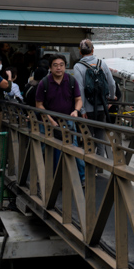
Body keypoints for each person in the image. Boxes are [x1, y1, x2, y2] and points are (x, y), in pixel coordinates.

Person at [35, 54, 85, 182]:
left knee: (73, 149)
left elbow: (78, 100)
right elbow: (39, 104)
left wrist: (76, 111)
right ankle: (49, 179)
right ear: (50, 68)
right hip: (48, 122)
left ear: (65, 66)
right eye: (55, 65)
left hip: (68, 120)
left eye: (61, 65)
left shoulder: (71, 81)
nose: (59, 68)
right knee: (47, 150)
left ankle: (81, 179)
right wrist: (50, 120)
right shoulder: (44, 83)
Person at [72, 39, 118, 159]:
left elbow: (80, 89)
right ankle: (100, 165)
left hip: (87, 109)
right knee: (100, 137)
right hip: (102, 106)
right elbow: (112, 84)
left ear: (80, 52)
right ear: (93, 50)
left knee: (88, 136)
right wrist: (111, 99)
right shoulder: (101, 63)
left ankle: (90, 164)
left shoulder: (78, 66)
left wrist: (81, 109)